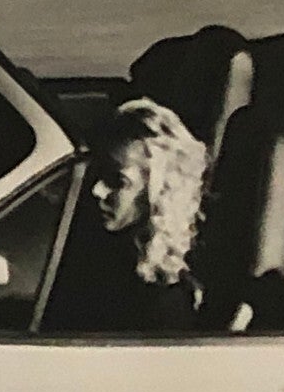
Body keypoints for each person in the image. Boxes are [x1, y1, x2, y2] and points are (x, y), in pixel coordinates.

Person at [81, 97, 208, 331]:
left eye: (116, 181)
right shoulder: (98, 249)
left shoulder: (165, 299)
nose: (96, 190)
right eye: (97, 173)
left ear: (156, 193)